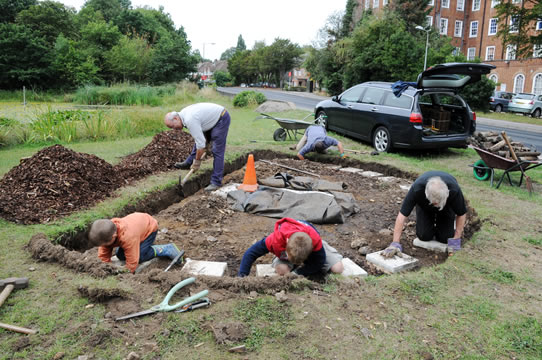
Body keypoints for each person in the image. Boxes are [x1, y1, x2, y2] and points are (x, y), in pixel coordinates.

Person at [383, 171, 467, 257]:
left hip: (446, 207)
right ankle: (430, 221)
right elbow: (402, 215)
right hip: (425, 207)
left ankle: (443, 225)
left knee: (445, 238)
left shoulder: (454, 190)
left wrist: (456, 240)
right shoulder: (417, 189)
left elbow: (461, 214)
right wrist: (395, 243)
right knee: (424, 236)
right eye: (435, 204)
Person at [238, 217, 344, 277]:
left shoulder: (315, 242)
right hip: (289, 248)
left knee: (338, 268)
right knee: (282, 270)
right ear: (287, 242)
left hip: (312, 248)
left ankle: (309, 259)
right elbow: (250, 253)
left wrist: (298, 273)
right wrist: (242, 277)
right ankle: (289, 261)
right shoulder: (275, 240)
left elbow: (319, 262)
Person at [164, 103, 230, 192]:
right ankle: (188, 163)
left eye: (172, 126)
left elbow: (201, 145)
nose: (174, 129)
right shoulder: (183, 116)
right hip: (209, 120)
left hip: (220, 118)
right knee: (199, 140)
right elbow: (200, 141)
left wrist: (197, 162)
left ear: (176, 118)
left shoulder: (190, 119)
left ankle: (216, 182)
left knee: (217, 151)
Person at [88, 212, 182, 273]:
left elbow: (132, 263)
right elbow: (104, 253)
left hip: (149, 229)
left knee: (140, 256)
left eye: (105, 245)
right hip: (138, 228)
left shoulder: (128, 237)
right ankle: (143, 247)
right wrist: (104, 265)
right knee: (120, 255)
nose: (103, 247)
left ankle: (166, 249)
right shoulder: (107, 230)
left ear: (114, 236)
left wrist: (125, 271)